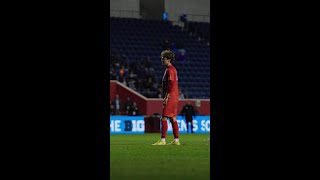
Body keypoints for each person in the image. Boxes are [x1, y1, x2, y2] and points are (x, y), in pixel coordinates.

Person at [152, 50, 180, 145]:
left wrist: (167, 97)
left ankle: (163, 140)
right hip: (175, 96)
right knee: (173, 118)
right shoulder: (172, 69)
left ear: (168, 59)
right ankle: (176, 140)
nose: (162, 60)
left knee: (164, 117)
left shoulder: (170, 70)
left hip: (171, 96)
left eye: (163, 58)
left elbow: (171, 84)